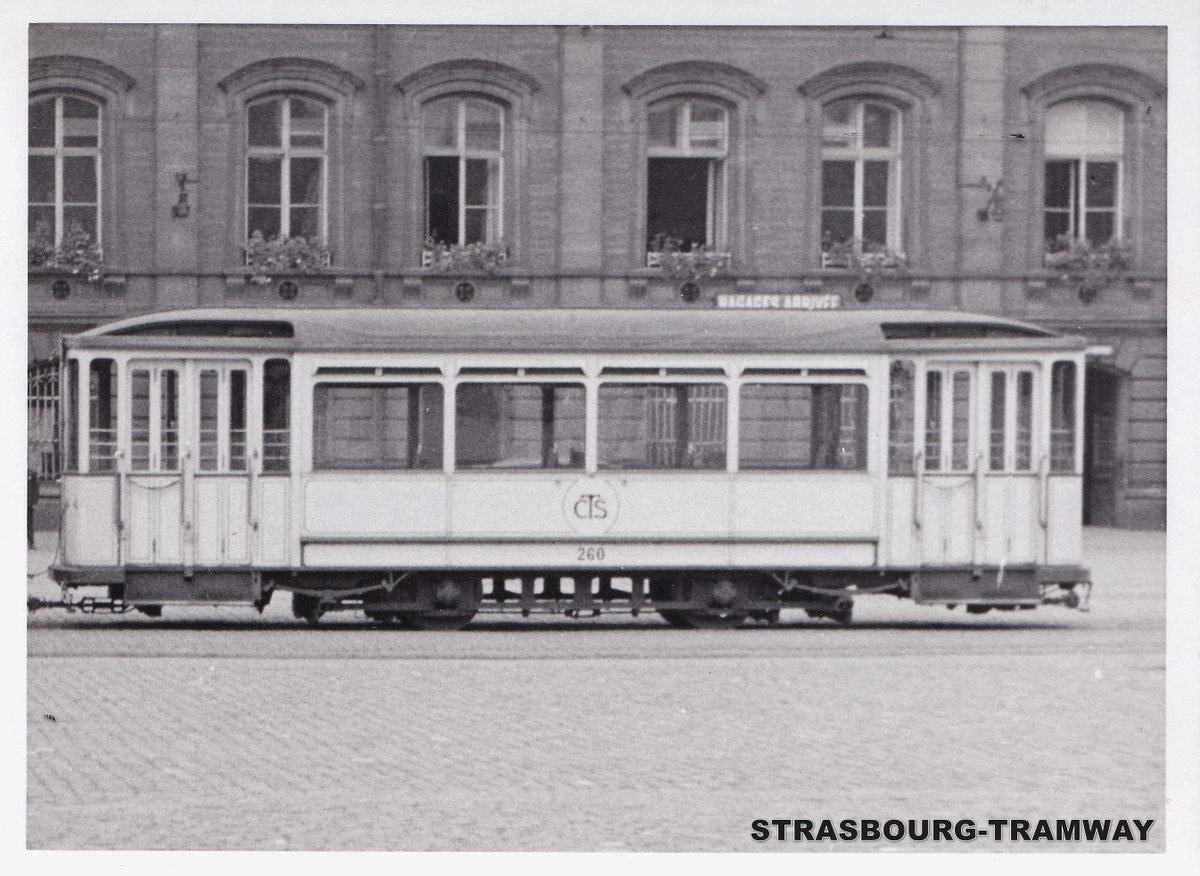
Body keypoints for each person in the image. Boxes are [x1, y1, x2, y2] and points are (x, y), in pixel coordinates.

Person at [27, 470, 39, 549]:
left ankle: (31, 543)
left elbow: (36, 488)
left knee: (29, 524)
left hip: (29, 503)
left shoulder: (32, 474)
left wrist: (34, 502)